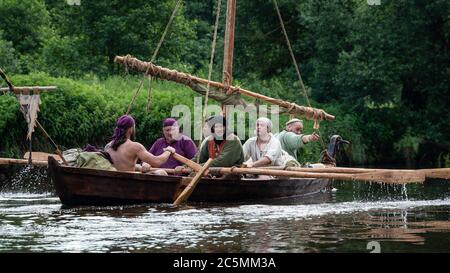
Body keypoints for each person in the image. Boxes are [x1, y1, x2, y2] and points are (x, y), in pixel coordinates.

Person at [105, 115, 175, 172]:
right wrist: (168, 151)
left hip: (111, 185)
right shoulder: (135, 146)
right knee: (161, 173)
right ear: (131, 129)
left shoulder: (107, 146)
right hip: (126, 185)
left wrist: (138, 166)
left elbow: (120, 164)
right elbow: (157, 162)